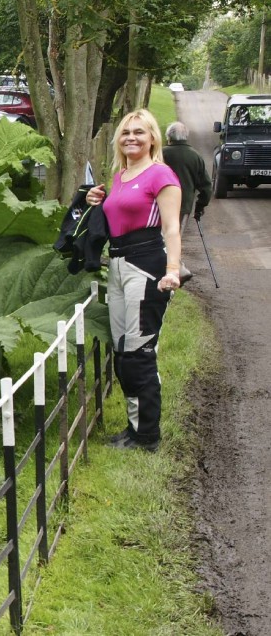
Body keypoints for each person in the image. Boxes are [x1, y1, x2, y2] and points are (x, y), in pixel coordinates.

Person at [86, 109, 182, 452]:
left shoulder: (162, 175)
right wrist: (96, 200)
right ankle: (134, 426)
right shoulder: (121, 176)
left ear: (153, 138)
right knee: (123, 350)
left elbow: (171, 227)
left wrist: (173, 270)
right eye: (126, 132)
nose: (131, 138)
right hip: (118, 263)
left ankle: (147, 436)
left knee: (139, 351)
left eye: (139, 132)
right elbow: (117, 214)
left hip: (146, 266)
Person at [162, 121, 212, 282]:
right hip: (183, 205)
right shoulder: (195, 156)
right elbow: (206, 186)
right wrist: (200, 207)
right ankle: (176, 270)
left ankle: (173, 270)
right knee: (175, 236)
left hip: (159, 204)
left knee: (160, 237)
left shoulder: (160, 154)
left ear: (168, 136)